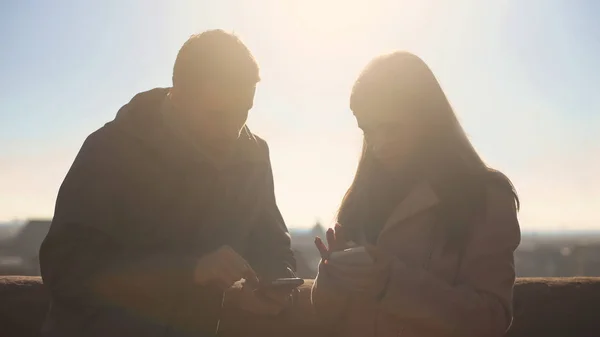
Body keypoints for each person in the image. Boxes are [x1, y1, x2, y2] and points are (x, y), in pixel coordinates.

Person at [39, 30, 296, 337]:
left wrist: (274, 283)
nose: (232, 131)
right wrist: (190, 271)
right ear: (178, 94)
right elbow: (66, 270)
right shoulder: (111, 149)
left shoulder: (254, 154)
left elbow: (272, 244)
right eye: (216, 115)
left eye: (243, 113)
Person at [311, 51, 521, 337]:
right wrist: (334, 275)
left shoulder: (484, 197)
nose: (378, 145)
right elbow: (327, 315)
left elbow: (491, 319)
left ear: (427, 120)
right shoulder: (362, 195)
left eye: (391, 128)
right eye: (368, 131)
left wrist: (391, 283)